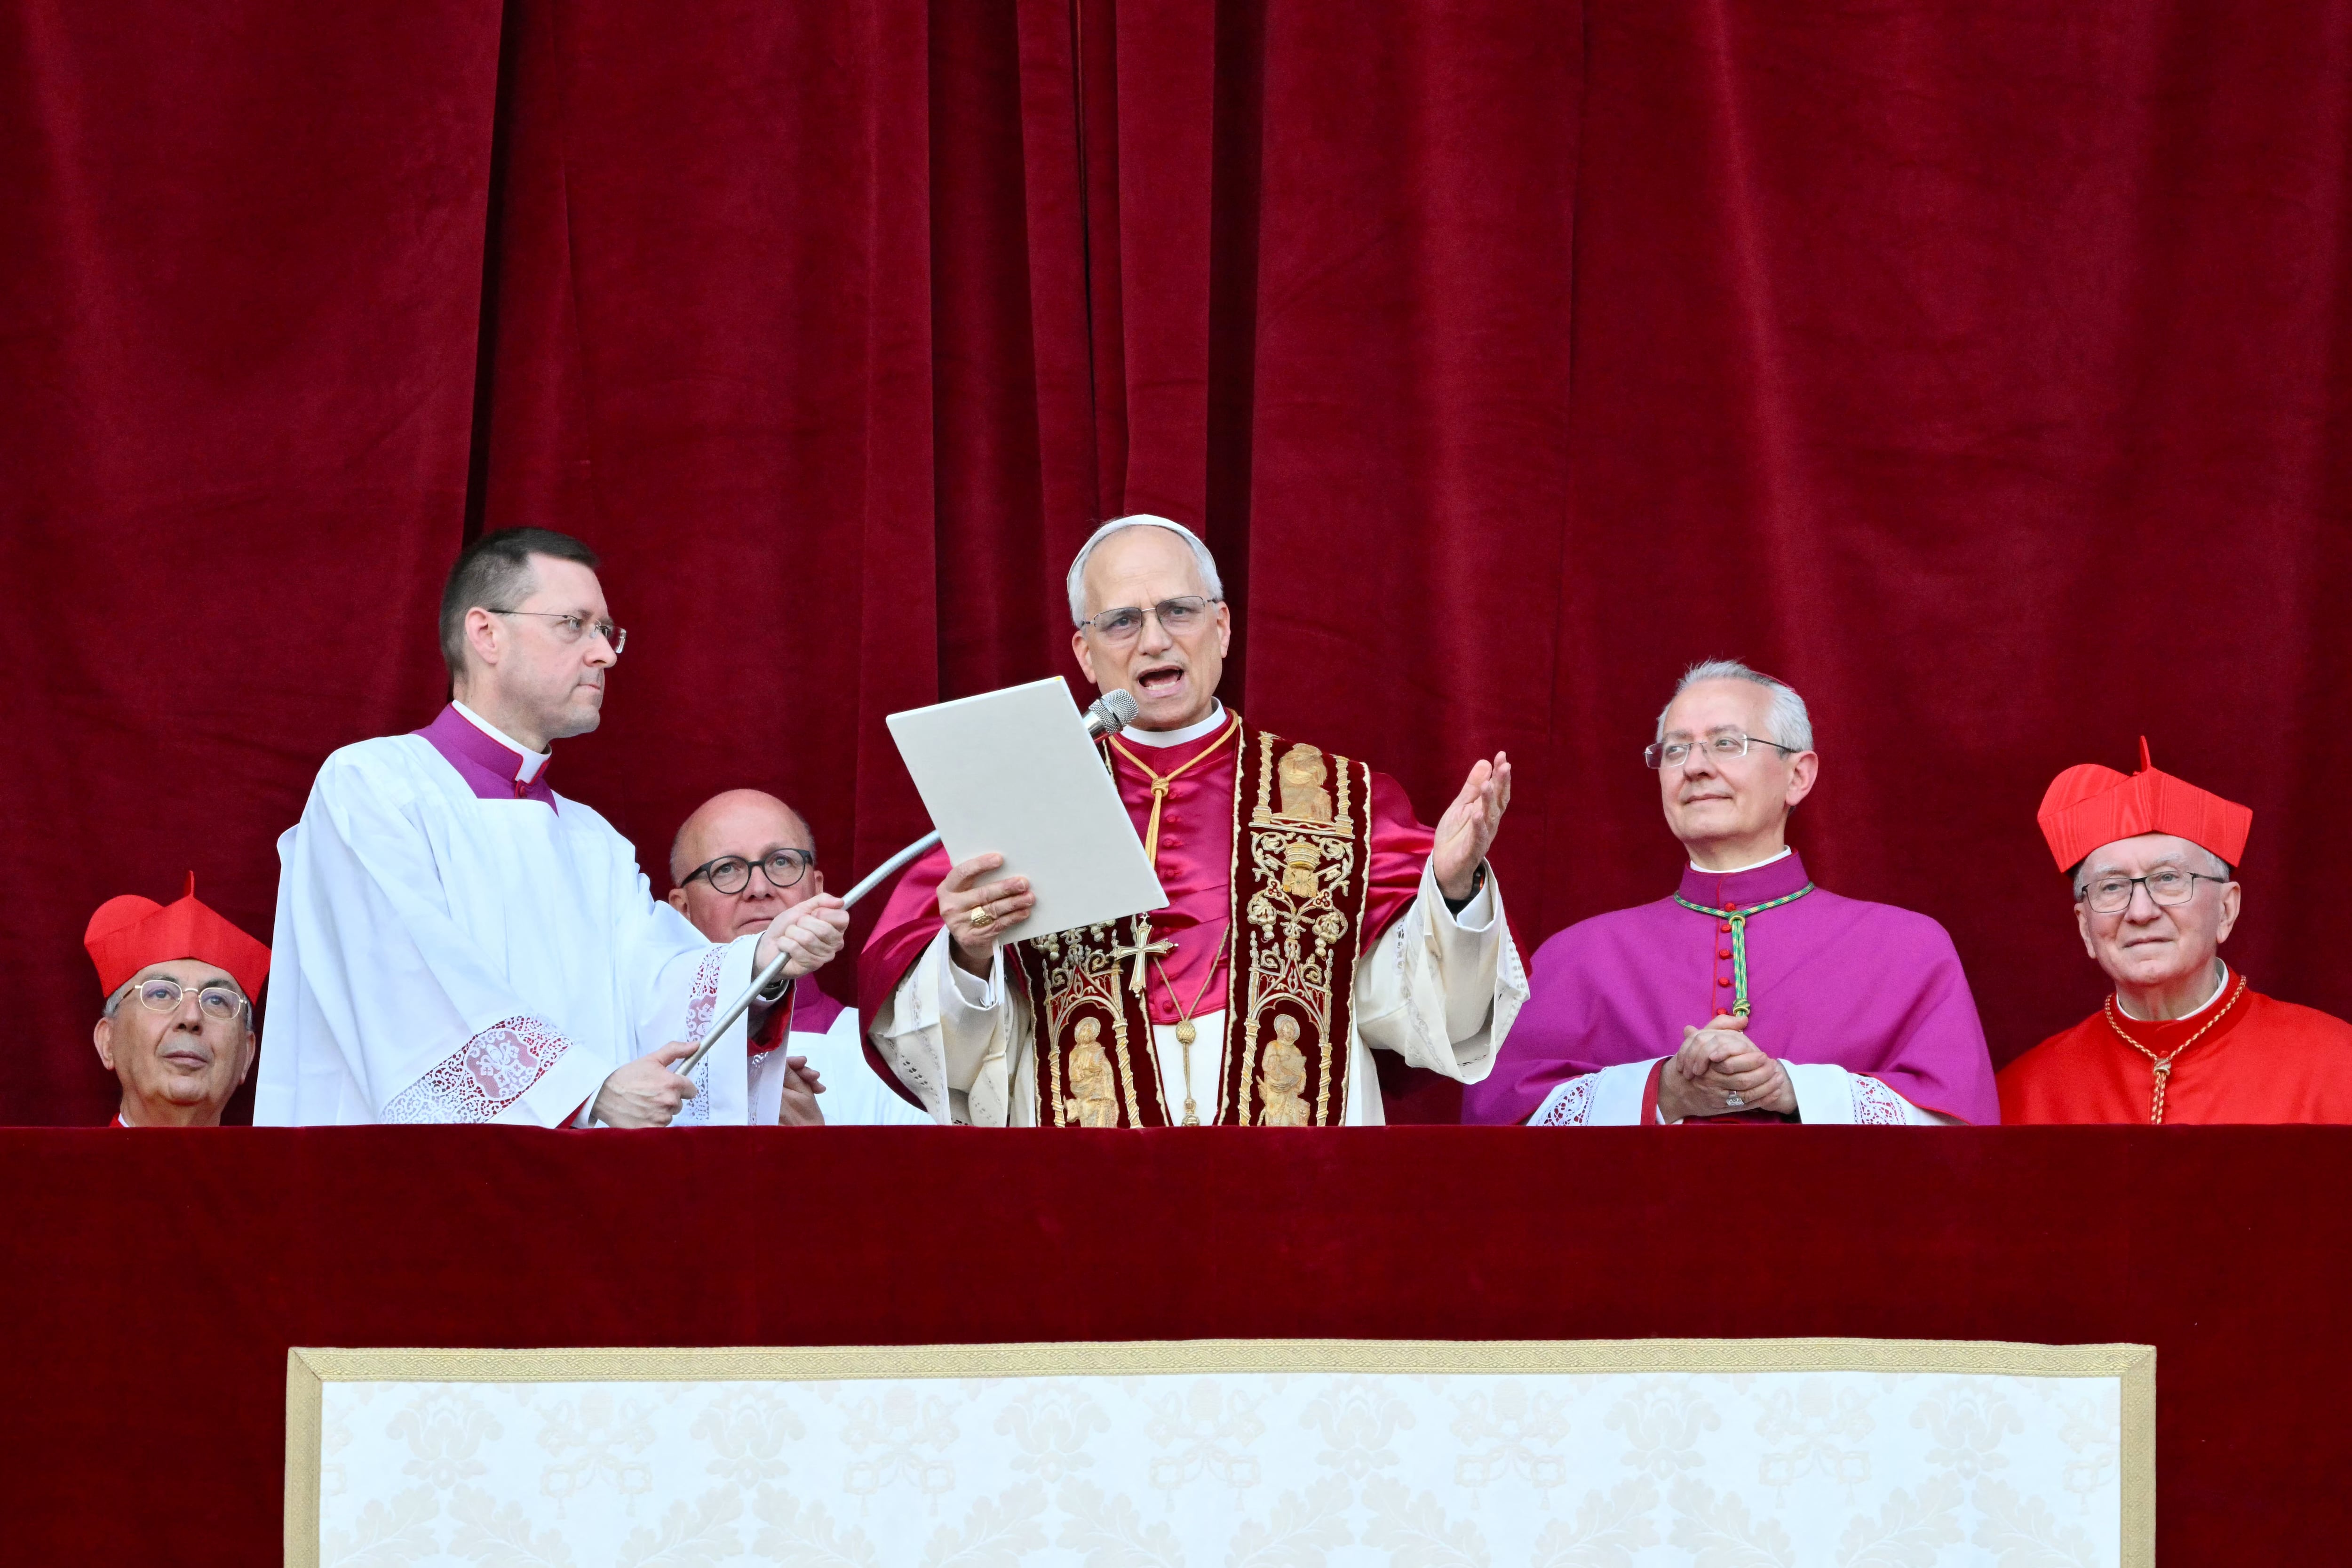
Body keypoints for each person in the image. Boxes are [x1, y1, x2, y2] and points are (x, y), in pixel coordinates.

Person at [859, 514, 1527, 1126]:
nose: (1155, 640)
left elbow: (1415, 1012)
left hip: (1298, 1191)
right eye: (1121, 621)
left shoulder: (1339, 800)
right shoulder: (1015, 800)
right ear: (1086, 653)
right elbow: (951, 1060)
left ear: (1223, 627)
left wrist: (1452, 889)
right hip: (1080, 1195)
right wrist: (969, 953)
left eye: (1179, 610)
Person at [256, 528, 850, 1127]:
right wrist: (586, 1093)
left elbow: (652, 985)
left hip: (575, 1188)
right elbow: (407, 990)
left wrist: (756, 963)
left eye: (606, 631)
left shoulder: (593, 840)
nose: (605, 654)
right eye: (574, 624)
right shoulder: (374, 786)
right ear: (486, 633)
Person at [1466, 660, 1996, 1127]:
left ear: (1798, 777)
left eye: (1725, 743)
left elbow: (1960, 1133)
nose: (1694, 767)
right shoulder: (1575, 957)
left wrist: (1792, 1089)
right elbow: (1500, 1129)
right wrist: (1663, 1092)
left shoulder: (1907, 949)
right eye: (1675, 750)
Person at [2000, 740, 2352, 1124]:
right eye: (2112, 886)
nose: (2141, 911)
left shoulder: (2338, 1067)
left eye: (2168, 879)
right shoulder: (2026, 1095)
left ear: (2226, 909)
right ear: (2086, 927)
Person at [667, 788, 930, 1126]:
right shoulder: (642, 1048)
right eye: (727, 869)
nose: (759, 888)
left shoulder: (890, 1050)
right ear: (683, 909)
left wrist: (820, 1152)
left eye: (781, 862)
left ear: (817, 889)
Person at [86, 875, 271, 1128]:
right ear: (108, 1041)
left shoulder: (289, 1169)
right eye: (161, 994)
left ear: (247, 1055)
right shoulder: (50, 1168)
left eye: (216, 1000)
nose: (191, 1017)